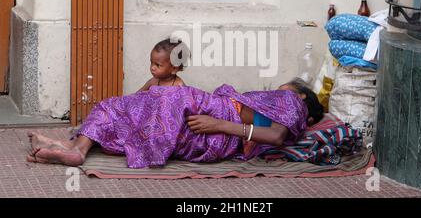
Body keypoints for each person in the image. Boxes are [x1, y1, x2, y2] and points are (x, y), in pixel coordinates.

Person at [26, 78, 324, 169]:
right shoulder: (279, 102)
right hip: (209, 119)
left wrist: (217, 124)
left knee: (144, 108)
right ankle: (74, 147)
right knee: (123, 107)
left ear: (301, 96)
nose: (281, 85)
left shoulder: (292, 102)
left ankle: (76, 147)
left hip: (215, 124)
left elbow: (274, 136)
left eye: (289, 84)